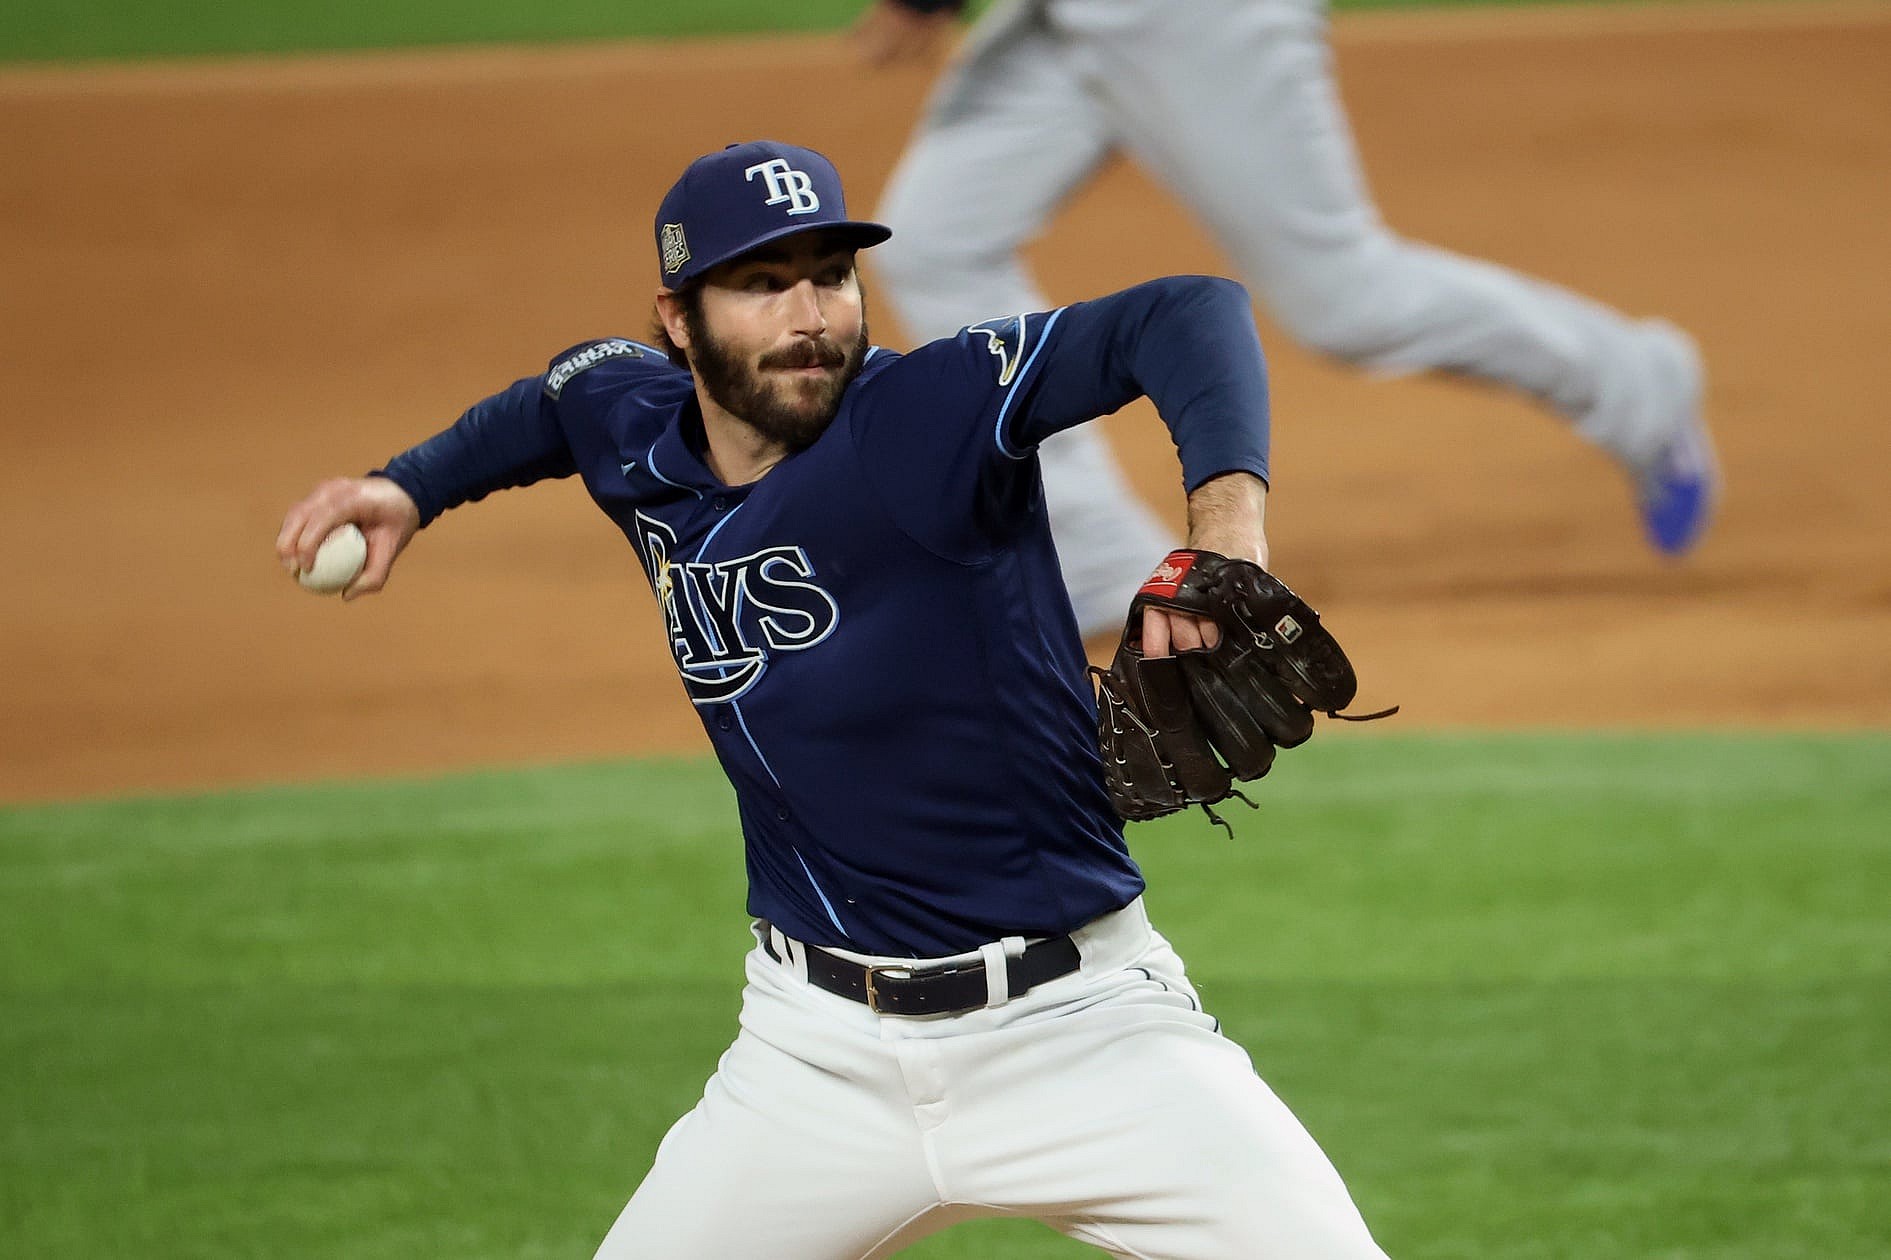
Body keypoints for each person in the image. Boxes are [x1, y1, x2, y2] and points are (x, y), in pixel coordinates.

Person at [277, 139, 1392, 1258]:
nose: (809, 314)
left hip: (1083, 1032)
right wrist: (409, 486)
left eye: (831, 274)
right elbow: (553, 402)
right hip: (813, 1062)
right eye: (763, 284)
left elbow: (1184, 312)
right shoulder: (629, 424)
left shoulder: (923, 415)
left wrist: (1226, 537)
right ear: (678, 317)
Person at [854, 0, 1721, 637]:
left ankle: (1630, 383)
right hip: (1061, 23)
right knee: (935, 240)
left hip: (1201, 17)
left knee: (1343, 297)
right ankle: (1094, 557)